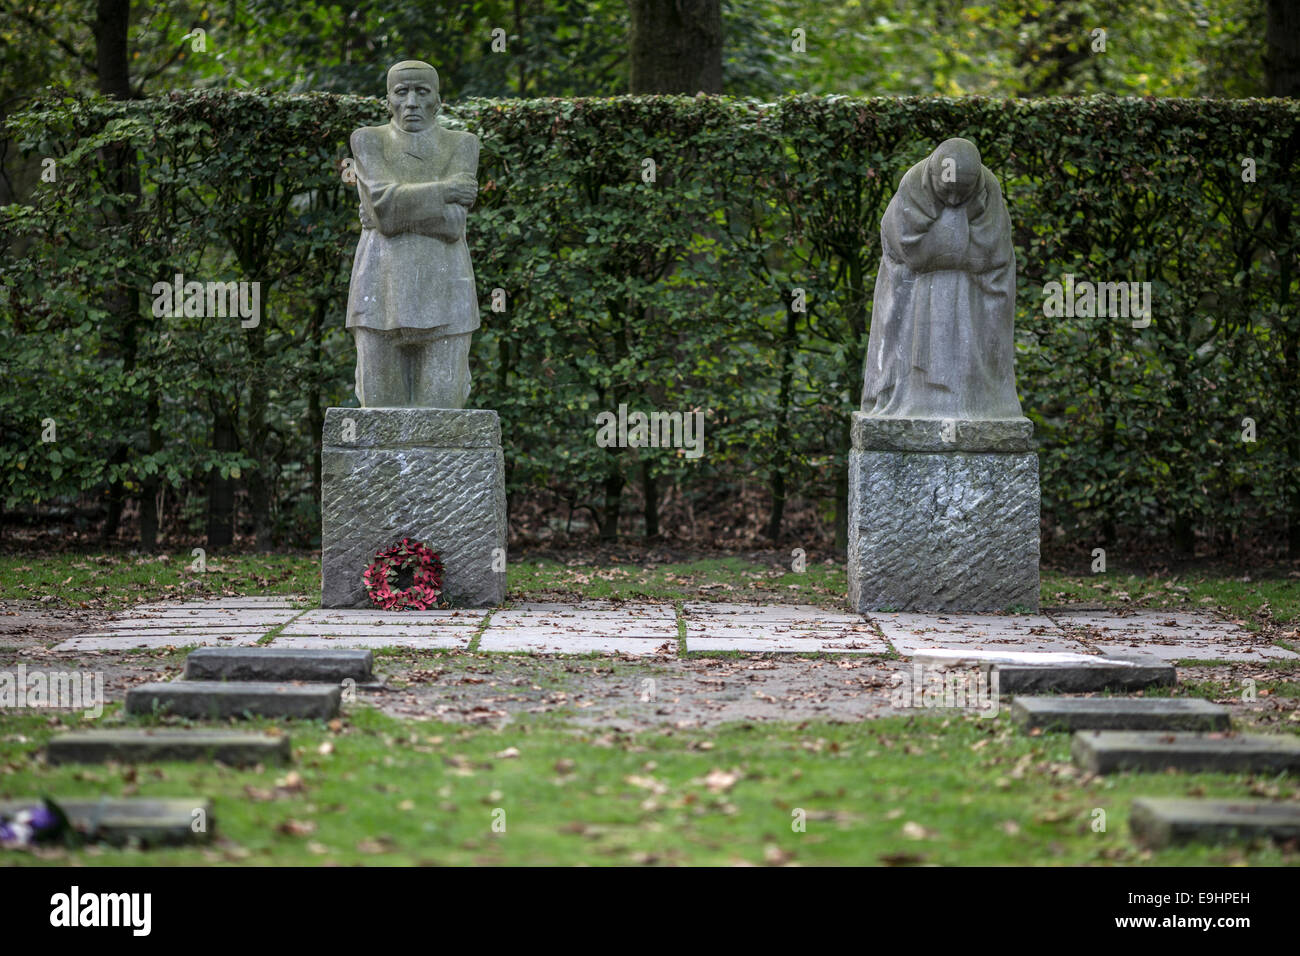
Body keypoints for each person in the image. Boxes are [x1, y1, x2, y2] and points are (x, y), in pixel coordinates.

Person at [345, 59, 480, 408]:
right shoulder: (367, 141)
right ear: (387, 99)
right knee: (377, 424)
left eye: (422, 92)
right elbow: (385, 210)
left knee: (443, 425)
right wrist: (448, 190)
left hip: (448, 295)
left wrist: (393, 207)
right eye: (401, 92)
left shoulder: (462, 144)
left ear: (438, 100)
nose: (411, 102)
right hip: (378, 291)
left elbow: (453, 225)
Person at [861, 137, 1023, 421]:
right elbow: (909, 253)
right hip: (915, 292)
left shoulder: (989, 190)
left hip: (974, 295)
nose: (952, 201)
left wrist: (950, 246)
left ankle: (971, 402)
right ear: (932, 176)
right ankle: (919, 398)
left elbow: (993, 254)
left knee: (956, 289)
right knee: (938, 286)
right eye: (947, 191)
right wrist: (957, 237)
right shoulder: (912, 186)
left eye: (962, 193)